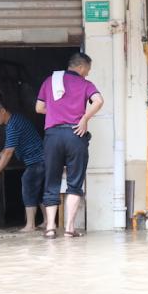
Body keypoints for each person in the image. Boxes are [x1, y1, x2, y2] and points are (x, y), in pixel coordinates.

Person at [36, 53, 104, 238]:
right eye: (87, 70)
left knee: (51, 180)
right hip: (76, 134)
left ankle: (50, 228)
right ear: (81, 68)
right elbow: (99, 101)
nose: (87, 74)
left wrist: (57, 111)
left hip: (53, 135)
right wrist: (84, 119)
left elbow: (39, 108)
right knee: (74, 182)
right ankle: (69, 229)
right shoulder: (85, 84)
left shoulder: (50, 81)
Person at [0, 100, 45, 232]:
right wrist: (2, 151)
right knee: (38, 189)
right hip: (41, 159)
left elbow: (8, 153)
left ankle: (30, 225)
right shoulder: (15, 120)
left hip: (37, 160)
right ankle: (46, 221)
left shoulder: (12, 125)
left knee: (28, 183)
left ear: (2, 111)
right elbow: (8, 147)